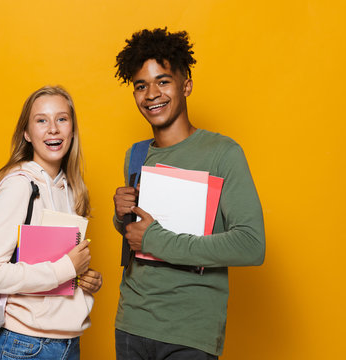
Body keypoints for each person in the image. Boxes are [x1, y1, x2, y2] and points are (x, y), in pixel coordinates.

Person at [112, 28, 265, 359]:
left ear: (186, 85)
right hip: (132, 324)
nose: (151, 93)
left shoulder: (222, 153)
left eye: (163, 81)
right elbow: (138, 236)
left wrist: (156, 240)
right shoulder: (135, 155)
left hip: (190, 330)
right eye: (141, 85)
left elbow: (251, 245)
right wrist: (122, 215)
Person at [0, 85, 102, 360]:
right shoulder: (19, 186)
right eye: (41, 120)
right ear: (27, 134)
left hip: (67, 345)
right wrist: (66, 268)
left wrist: (82, 279)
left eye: (62, 119)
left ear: (72, 130)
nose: (53, 128)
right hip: (22, 345)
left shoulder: (71, 189)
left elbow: (52, 267)